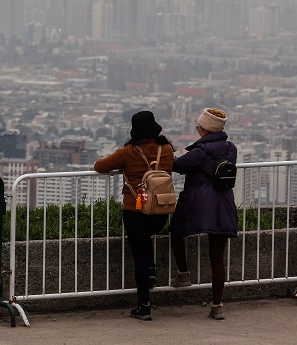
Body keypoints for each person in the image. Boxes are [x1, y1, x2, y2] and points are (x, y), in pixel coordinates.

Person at [94, 110, 174, 321]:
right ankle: (151, 268)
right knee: (147, 239)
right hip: (160, 210)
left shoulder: (128, 152)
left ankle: (144, 305)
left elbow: (99, 166)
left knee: (139, 255)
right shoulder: (166, 150)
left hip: (135, 210)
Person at [169, 107, 238, 320]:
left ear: (205, 129)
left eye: (199, 125)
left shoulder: (200, 152)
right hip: (224, 204)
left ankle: (183, 273)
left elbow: (177, 165)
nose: (197, 128)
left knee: (175, 230)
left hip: (199, 203)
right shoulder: (230, 148)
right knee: (217, 258)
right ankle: (217, 305)